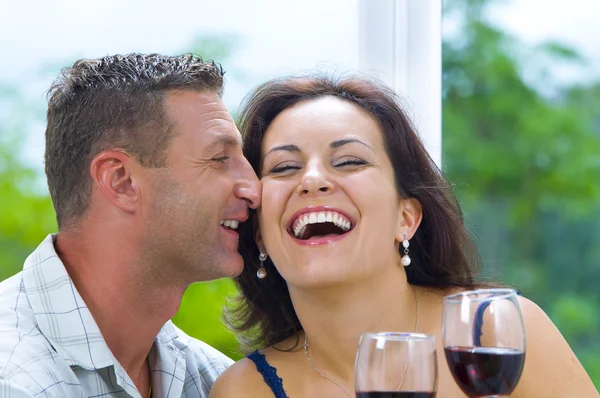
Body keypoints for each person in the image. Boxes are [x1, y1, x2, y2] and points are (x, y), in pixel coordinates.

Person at [209, 74, 598, 397]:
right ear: (259, 234)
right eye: (285, 167)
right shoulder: (242, 390)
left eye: (348, 161)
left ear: (407, 218)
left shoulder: (497, 334)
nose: (312, 180)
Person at [0, 53, 261, 397]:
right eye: (218, 159)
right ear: (121, 181)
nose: (254, 189)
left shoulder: (212, 380)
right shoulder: (16, 378)